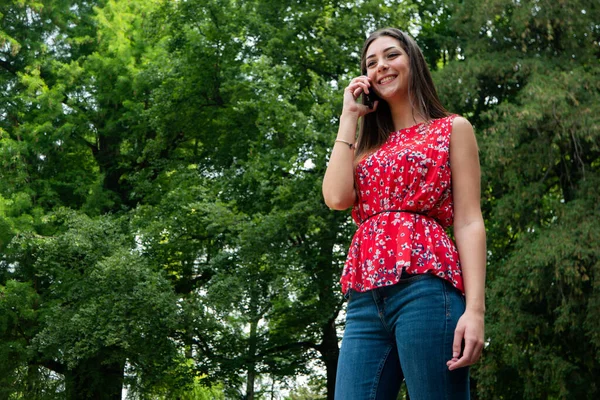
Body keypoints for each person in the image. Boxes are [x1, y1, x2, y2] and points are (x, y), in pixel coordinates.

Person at [322, 28, 486, 399]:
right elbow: (335, 197)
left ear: (413, 61)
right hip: (365, 299)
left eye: (391, 55)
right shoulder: (365, 146)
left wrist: (475, 310)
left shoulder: (452, 129)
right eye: (371, 62)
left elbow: (469, 220)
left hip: (427, 290)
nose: (381, 66)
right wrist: (349, 116)